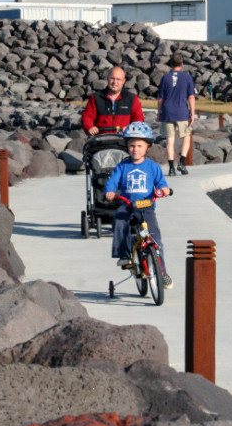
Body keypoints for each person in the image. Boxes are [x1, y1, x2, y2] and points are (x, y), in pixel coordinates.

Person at [104, 121, 173, 289]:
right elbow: (112, 181)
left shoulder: (152, 167)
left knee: (155, 238)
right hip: (128, 205)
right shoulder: (122, 166)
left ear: (147, 147)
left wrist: (164, 190)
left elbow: (161, 183)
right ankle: (124, 255)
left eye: (140, 146)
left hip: (146, 206)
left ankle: (162, 272)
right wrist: (111, 191)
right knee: (119, 221)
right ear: (127, 146)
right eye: (132, 145)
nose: (135, 149)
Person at [157, 53, 196, 176]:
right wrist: (193, 113)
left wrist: (159, 113)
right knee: (186, 136)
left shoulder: (165, 78)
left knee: (170, 140)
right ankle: (182, 163)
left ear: (171, 64)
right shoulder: (187, 77)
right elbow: (191, 96)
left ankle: (171, 168)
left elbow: (160, 98)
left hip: (167, 112)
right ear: (182, 64)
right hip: (182, 112)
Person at [82, 66, 144, 136]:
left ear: (123, 81)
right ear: (107, 78)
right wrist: (89, 128)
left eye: (118, 79)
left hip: (124, 140)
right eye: (112, 78)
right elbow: (87, 116)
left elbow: (138, 119)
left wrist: (131, 128)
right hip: (101, 139)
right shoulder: (96, 97)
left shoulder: (132, 98)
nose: (115, 82)